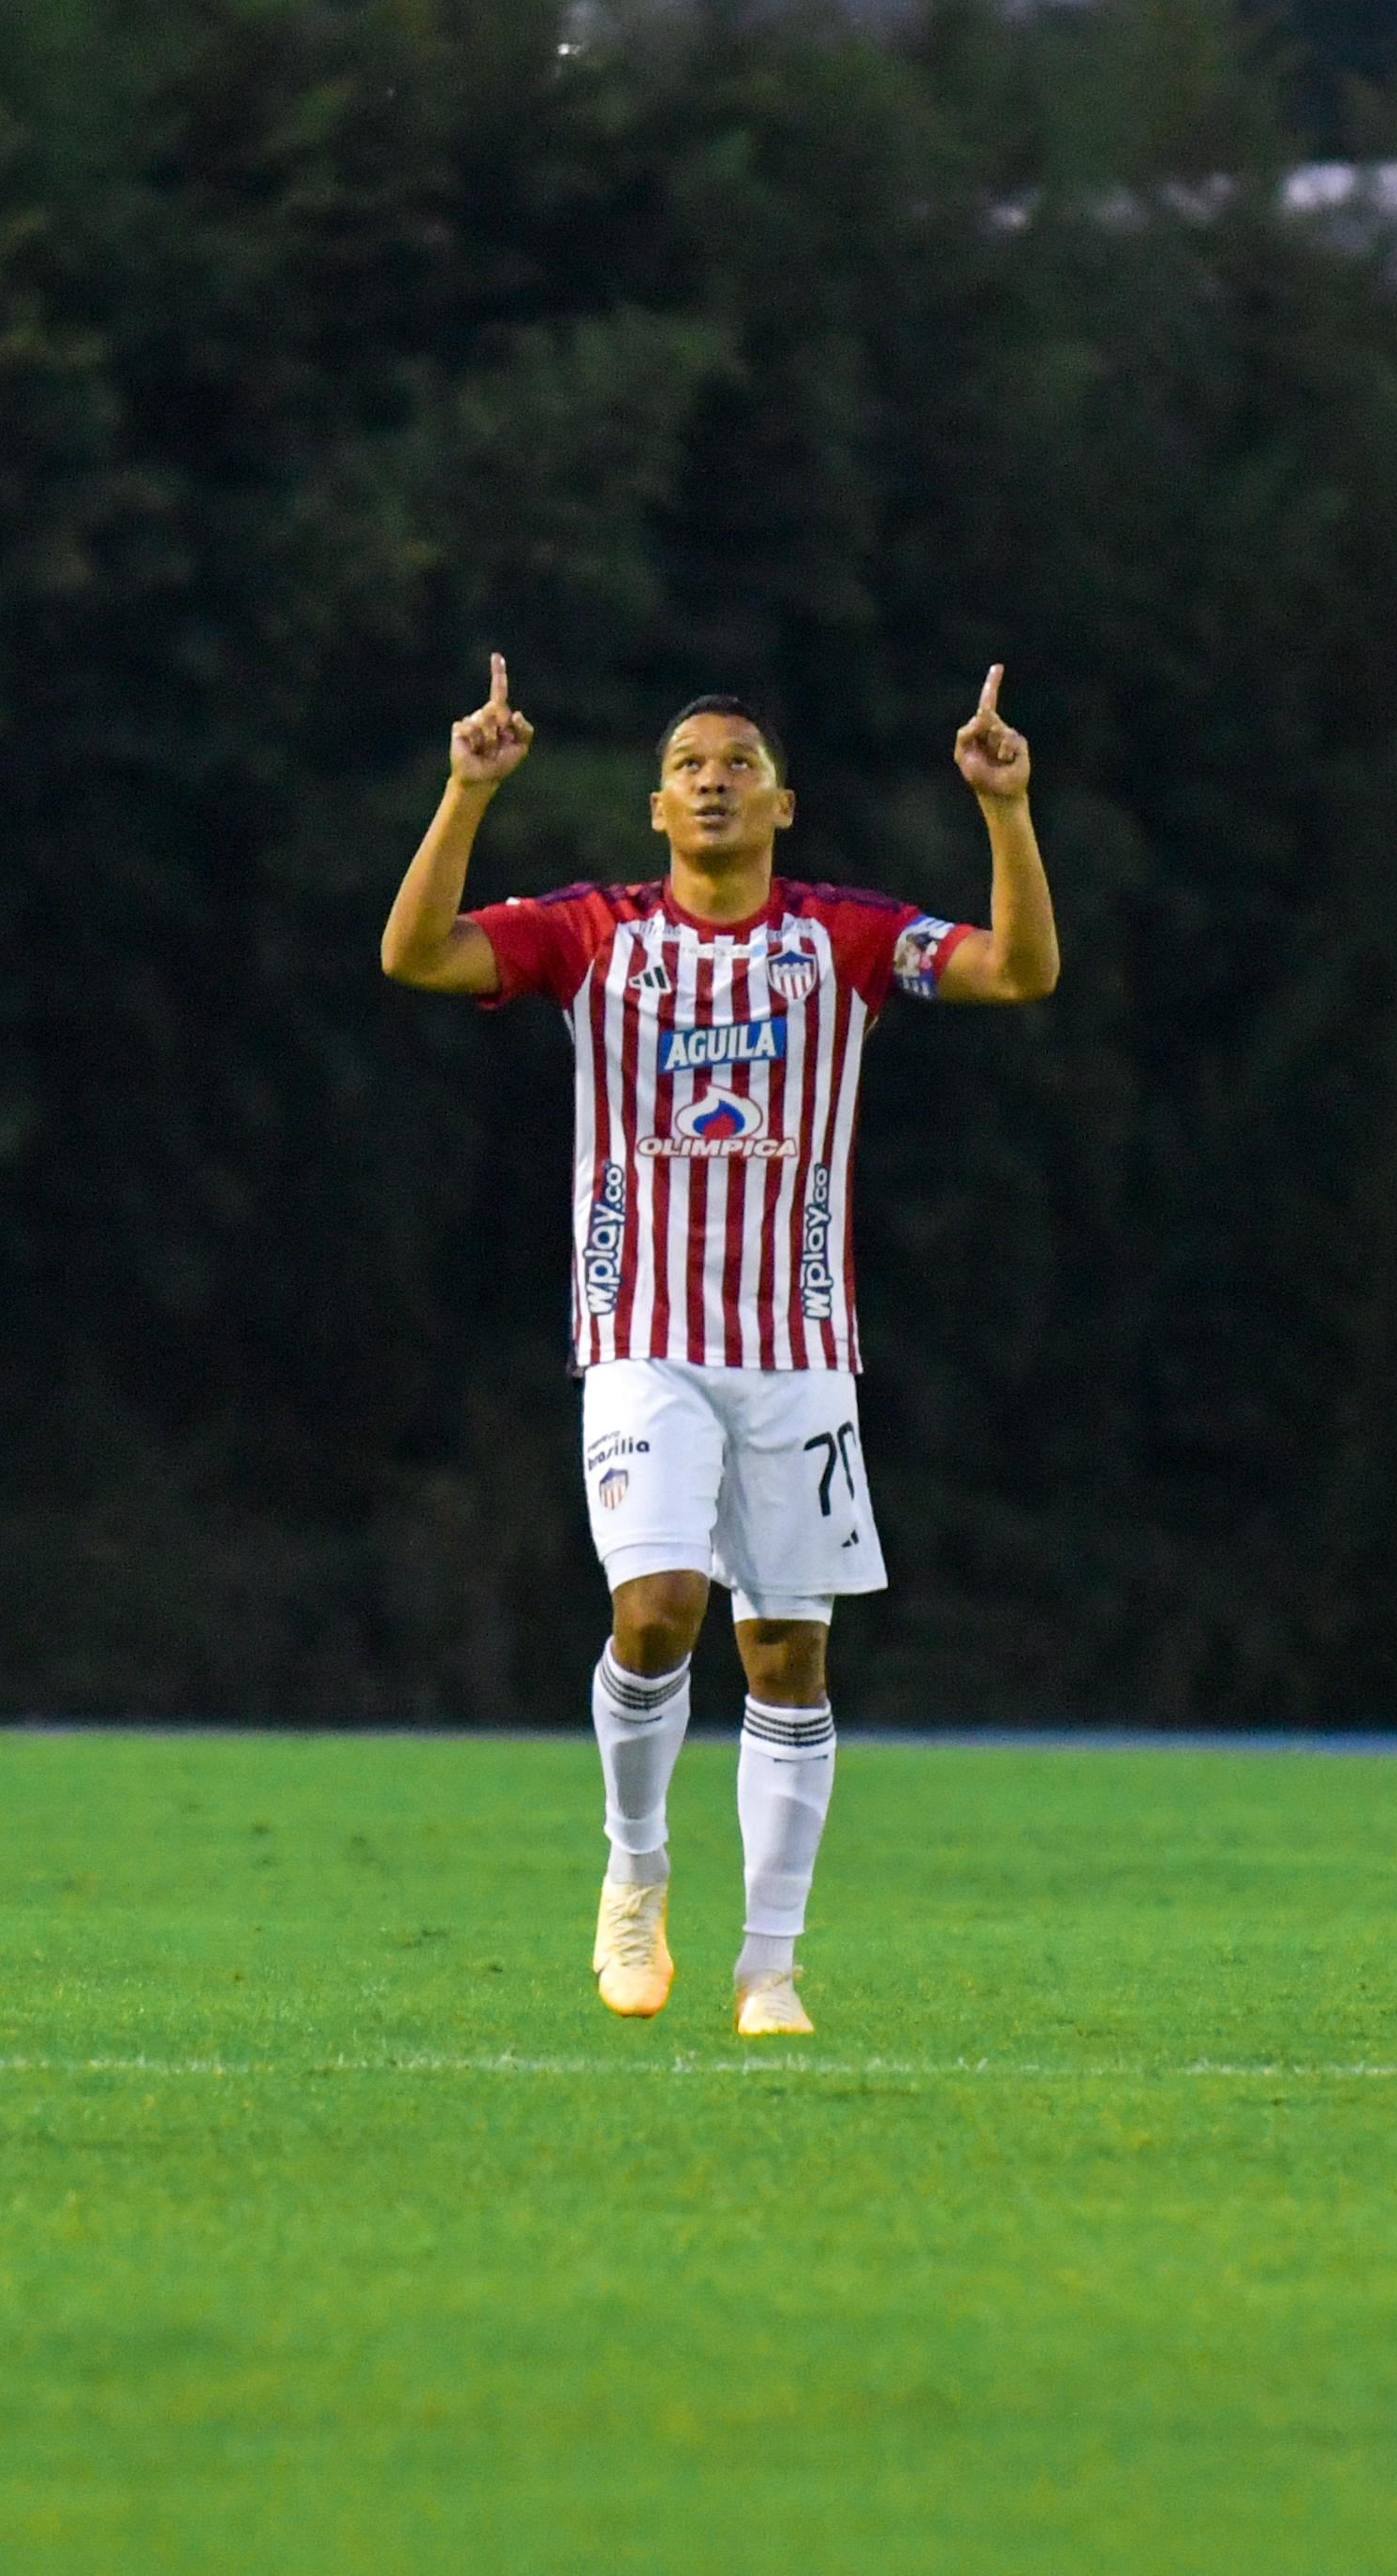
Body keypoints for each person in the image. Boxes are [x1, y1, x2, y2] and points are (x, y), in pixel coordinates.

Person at [379, 657, 1059, 2037]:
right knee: (657, 1610)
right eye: (689, 762)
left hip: (800, 1345)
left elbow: (1018, 969)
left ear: (781, 802)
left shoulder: (846, 939)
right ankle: (635, 1868)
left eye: (737, 762)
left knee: (788, 1655)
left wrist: (1006, 810)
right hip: (638, 1333)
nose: (711, 778)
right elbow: (413, 953)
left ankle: (769, 1964)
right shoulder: (587, 932)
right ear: (653, 806)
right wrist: (465, 791)